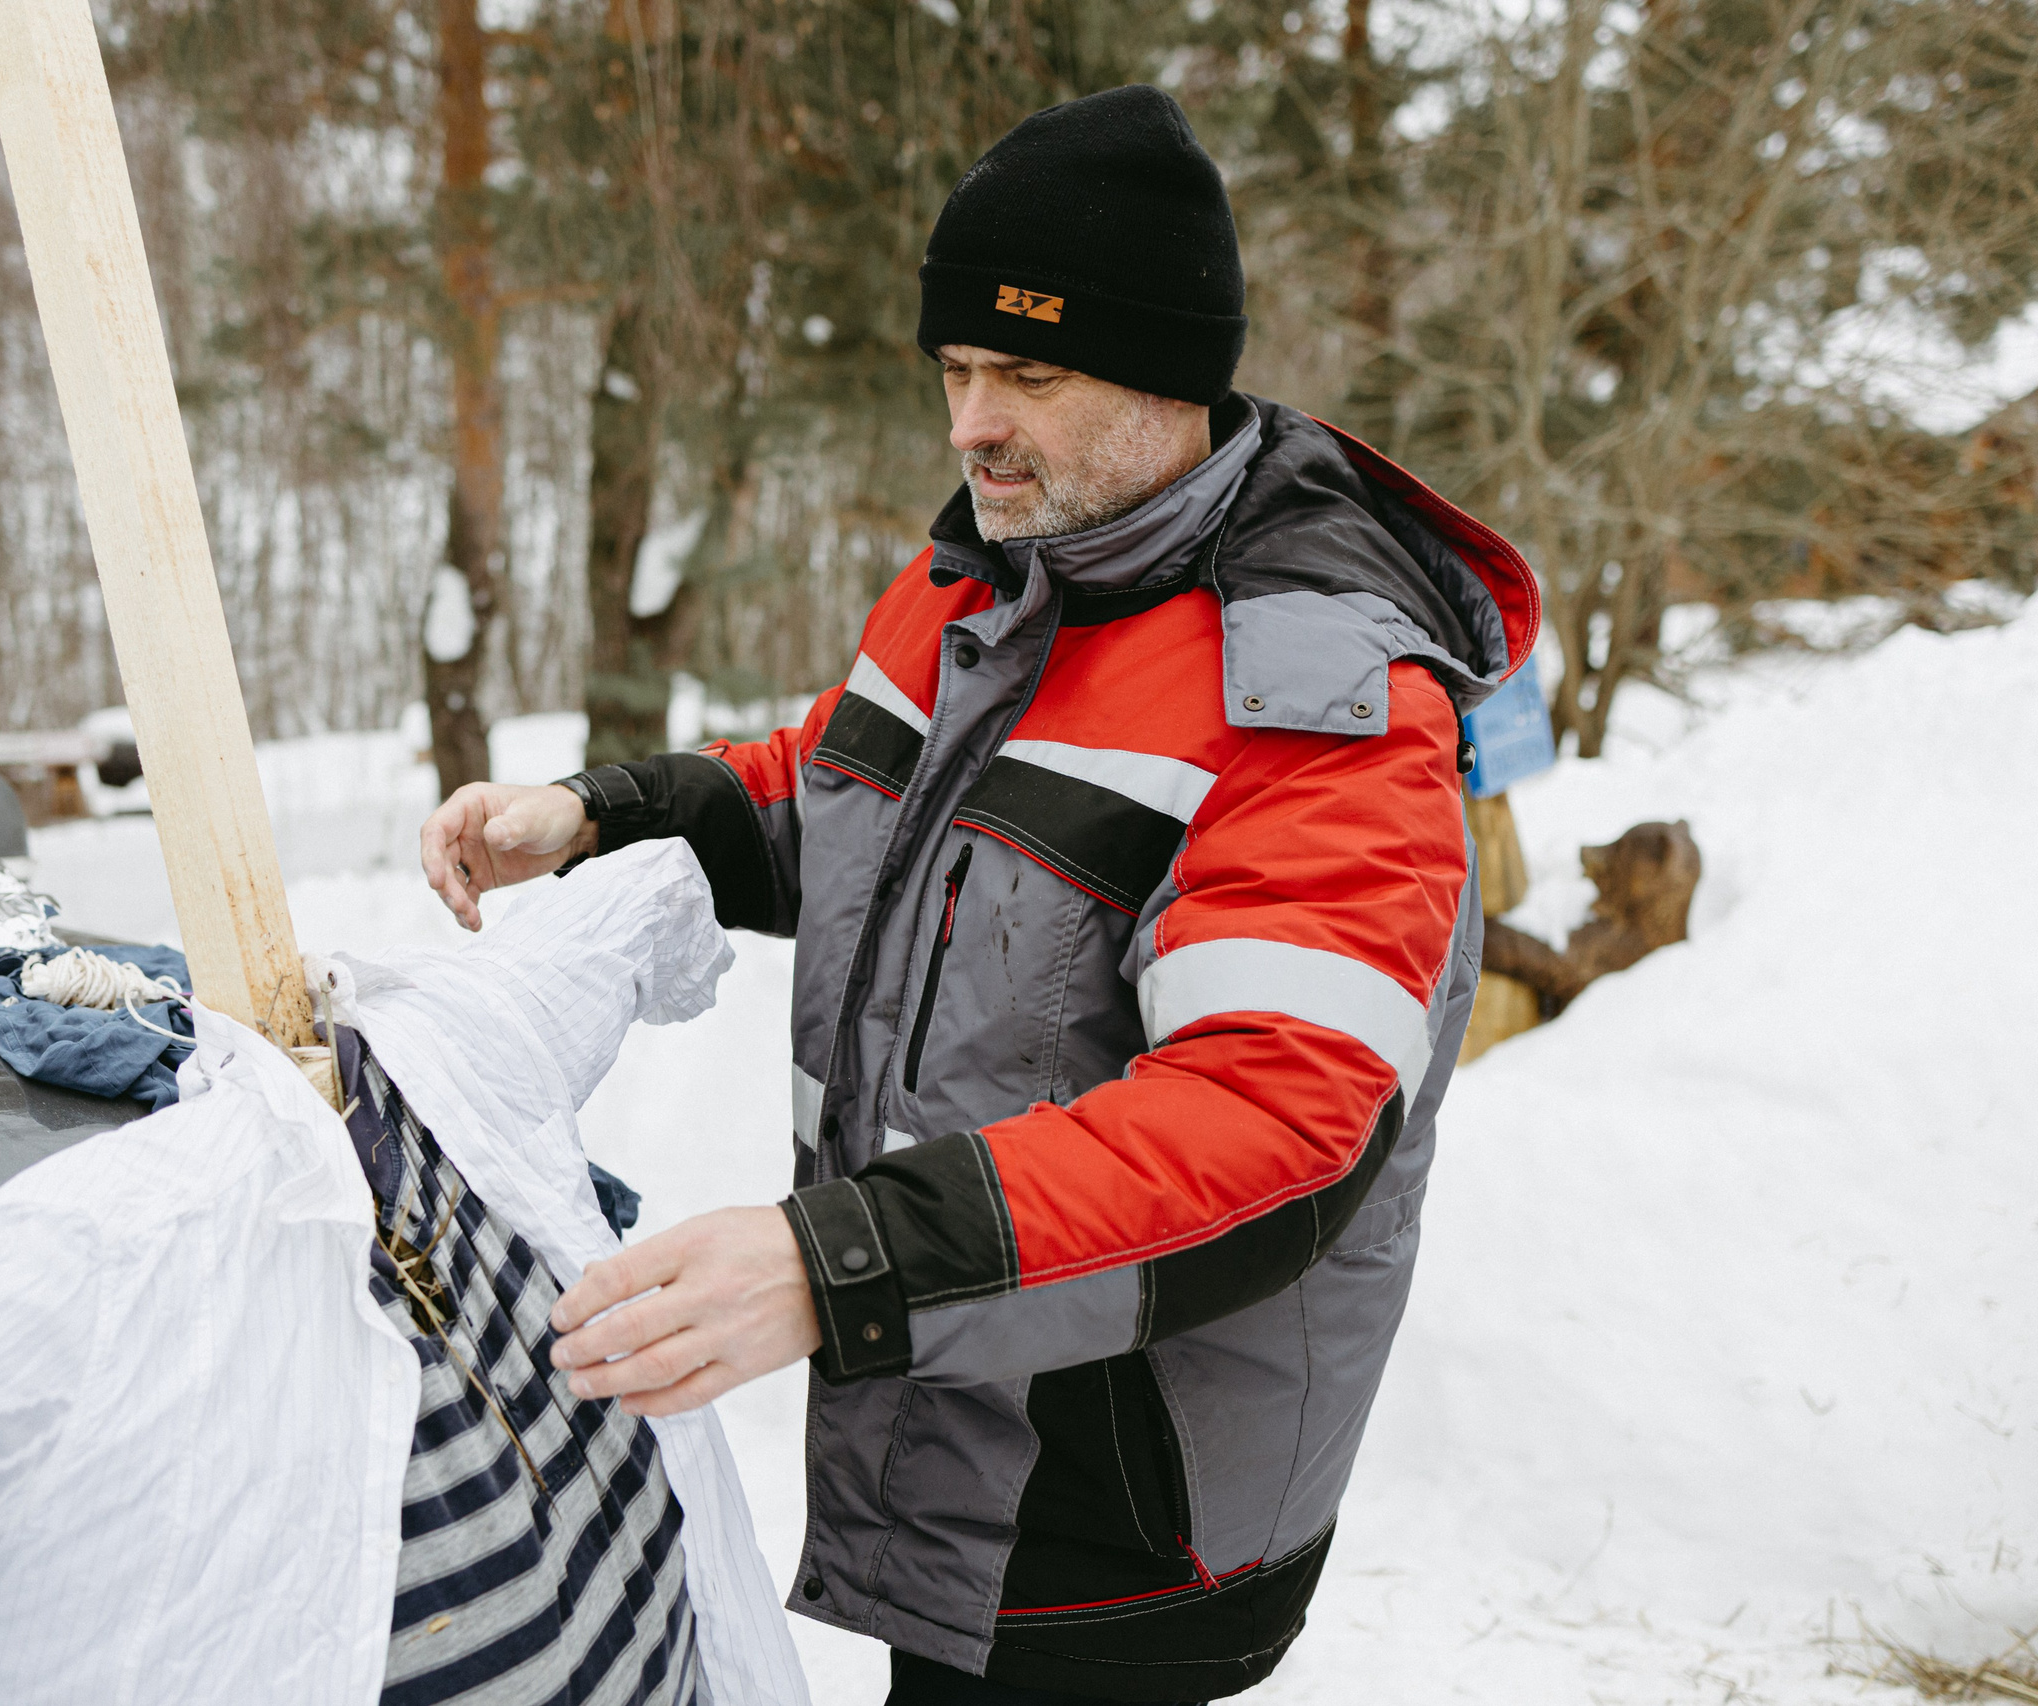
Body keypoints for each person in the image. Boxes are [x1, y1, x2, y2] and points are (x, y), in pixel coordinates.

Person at [420, 84, 1536, 1706]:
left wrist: (836, 1263)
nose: (971, 423)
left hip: (1122, 1489)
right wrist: (601, 810)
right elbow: (846, 791)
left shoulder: (1315, 688)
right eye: (955, 368)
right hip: (958, 1407)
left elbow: (1275, 1127)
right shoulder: (990, 579)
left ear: (1169, 372)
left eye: (1029, 371)